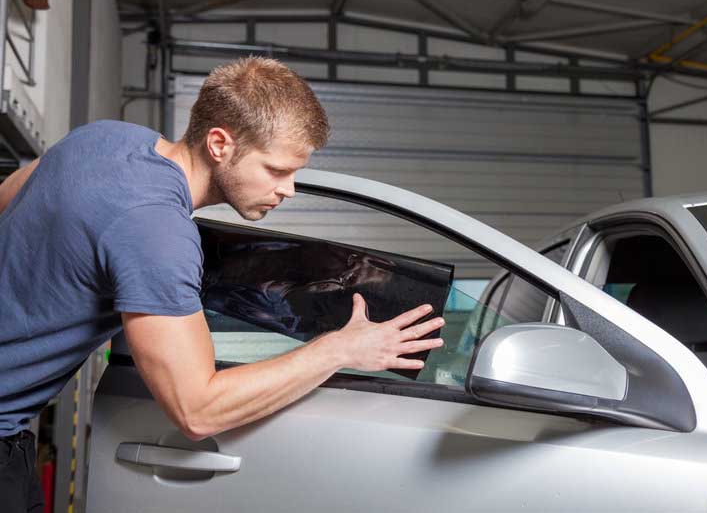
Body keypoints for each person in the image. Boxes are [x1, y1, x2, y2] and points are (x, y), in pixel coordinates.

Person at [0, 57, 444, 512]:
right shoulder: (157, 232)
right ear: (219, 143)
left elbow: (9, 195)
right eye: (276, 170)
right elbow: (198, 410)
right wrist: (340, 350)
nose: (288, 190)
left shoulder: (105, 137)